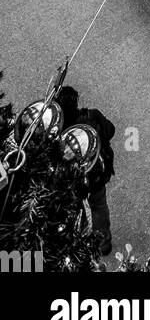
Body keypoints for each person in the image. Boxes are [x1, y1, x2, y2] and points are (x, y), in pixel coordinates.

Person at [55, 86, 116, 255]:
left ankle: (79, 245)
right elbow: (110, 130)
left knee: (75, 210)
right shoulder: (91, 116)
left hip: (74, 181)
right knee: (99, 205)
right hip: (96, 174)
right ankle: (104, 243)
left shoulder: (58, 132)